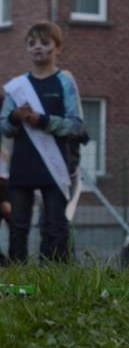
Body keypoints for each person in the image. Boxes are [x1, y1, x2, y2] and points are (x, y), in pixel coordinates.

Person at [1, 21, 85, 262]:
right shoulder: (17, 87)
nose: (38, 48)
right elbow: (4, 127)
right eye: (32, 43)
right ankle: (18, 283)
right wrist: (16, 118)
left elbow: (76, 124)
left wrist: (43, 120)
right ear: (26, 49)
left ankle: (55, 280)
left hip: (55, 164)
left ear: (57, 48)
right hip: (23, 164)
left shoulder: (65, 82)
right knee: (18, 227)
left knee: (56, 226)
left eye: (44, 43)